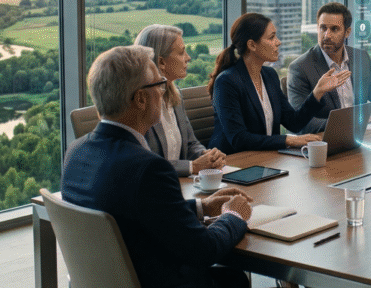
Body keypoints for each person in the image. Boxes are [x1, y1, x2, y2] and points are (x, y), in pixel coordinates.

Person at [62, 45, 253, 288]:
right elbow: (203, 251)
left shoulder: (76, 152)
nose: (164, 92)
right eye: (159, 85)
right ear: (140, 98)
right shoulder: (149, 169)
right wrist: (235, 215)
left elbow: (129, 214)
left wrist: (200, 207)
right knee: (233, 279)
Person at [207, 13, 350, 155]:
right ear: (252, 45)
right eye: (271, 37)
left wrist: (318, 92)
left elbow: (293, 122)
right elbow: (238, 138)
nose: (278, 42)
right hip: (234, 162)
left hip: (267, 157)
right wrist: (288, 140)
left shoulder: (269, 75)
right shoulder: (226, 82)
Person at [136, 24, 227, 176]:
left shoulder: (175, 93)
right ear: (161, 62)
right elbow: (145, 162)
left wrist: (206, 156)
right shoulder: (139, 104)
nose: (188, 58)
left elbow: (190, 144)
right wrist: (192, 166)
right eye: (181, 52)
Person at [287, 2, 371, 133]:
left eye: (334, 29)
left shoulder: (361, 58)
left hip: (362, 137)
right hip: (325, 143)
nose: (327, 35)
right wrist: (346, 126)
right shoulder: (300, 68)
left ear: (347, 32)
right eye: (323, 28)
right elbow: (300, 122)